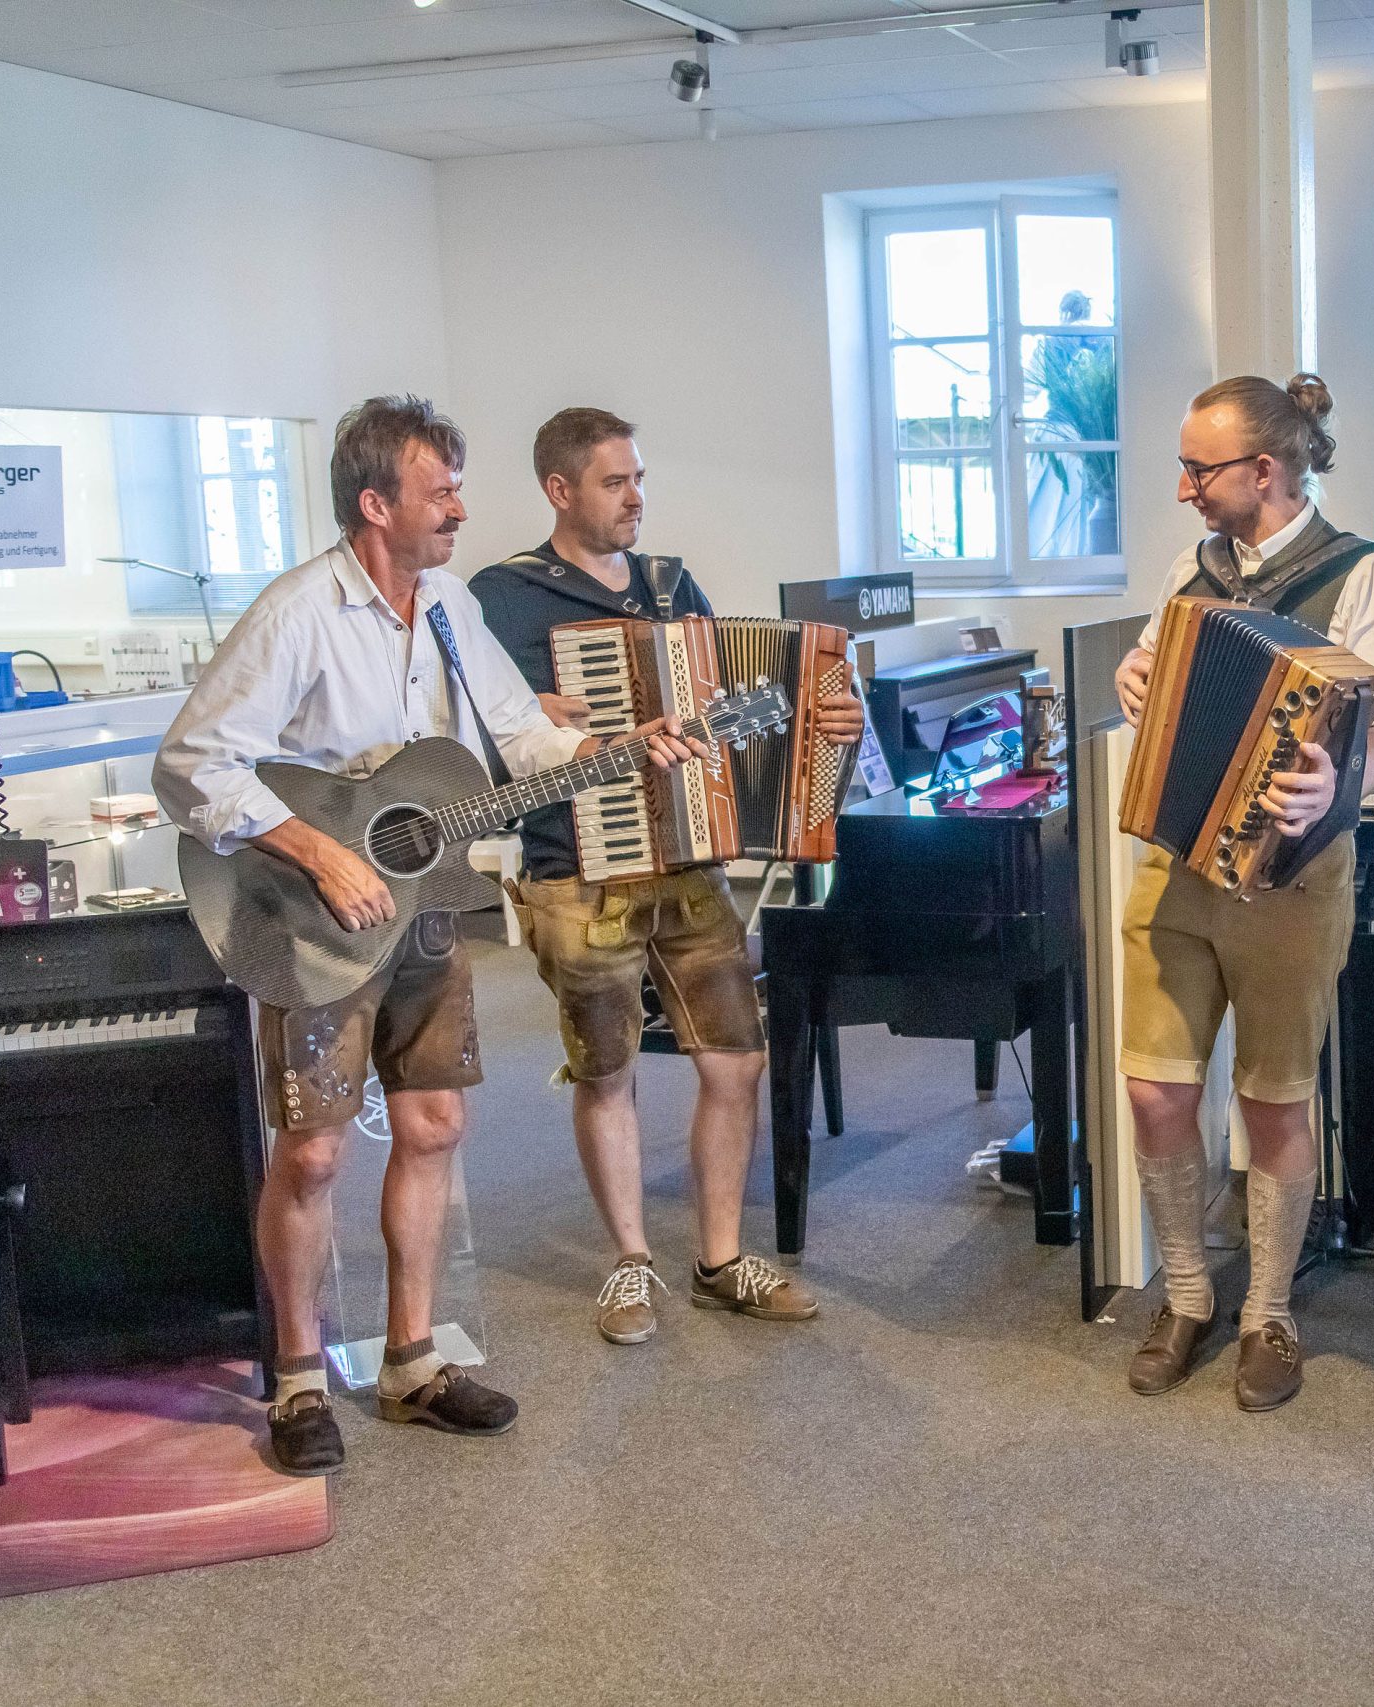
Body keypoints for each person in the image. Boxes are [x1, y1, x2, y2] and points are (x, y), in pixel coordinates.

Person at [155, 396, 696, 1477]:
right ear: (375, 504)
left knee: (437, 1125)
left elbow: (521, 735)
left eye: (456, 488)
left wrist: (616, 746)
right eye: (438, 491)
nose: (458, 508)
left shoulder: (449, 603)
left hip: (426, 902)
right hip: (308, 915)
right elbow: (192, 764)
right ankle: (299, 1379)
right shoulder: (298, 612)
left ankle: (412, 1363)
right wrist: (320, 852)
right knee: (313, 1150)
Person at [470, 408, 864, 1346]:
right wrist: (539, 715)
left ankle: (720, 1260)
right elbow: (479, 735)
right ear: (559, 490)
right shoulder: (502, 598)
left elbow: (729, 709)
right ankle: (631, 1261)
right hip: (578, 869)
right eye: (615, 482)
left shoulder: (668, 585)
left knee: (735, 1058)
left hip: (687, 856)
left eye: (639, 478)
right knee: (606, 1069)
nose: (635, 497)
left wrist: (821, 718)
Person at [1110, 374, 1374, 1412]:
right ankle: (1188, 1294)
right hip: (1179, 857)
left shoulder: (1359, 571)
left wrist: (1341, 782)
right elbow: (1149, 668)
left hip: (1294, 874)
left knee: (1273, 1095)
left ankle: (1267, 1311)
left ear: (1264, 470)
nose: (1184, 488)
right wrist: (1134, 678)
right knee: (1155, 1087)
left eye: (1199, 470)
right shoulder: (1191, 570)